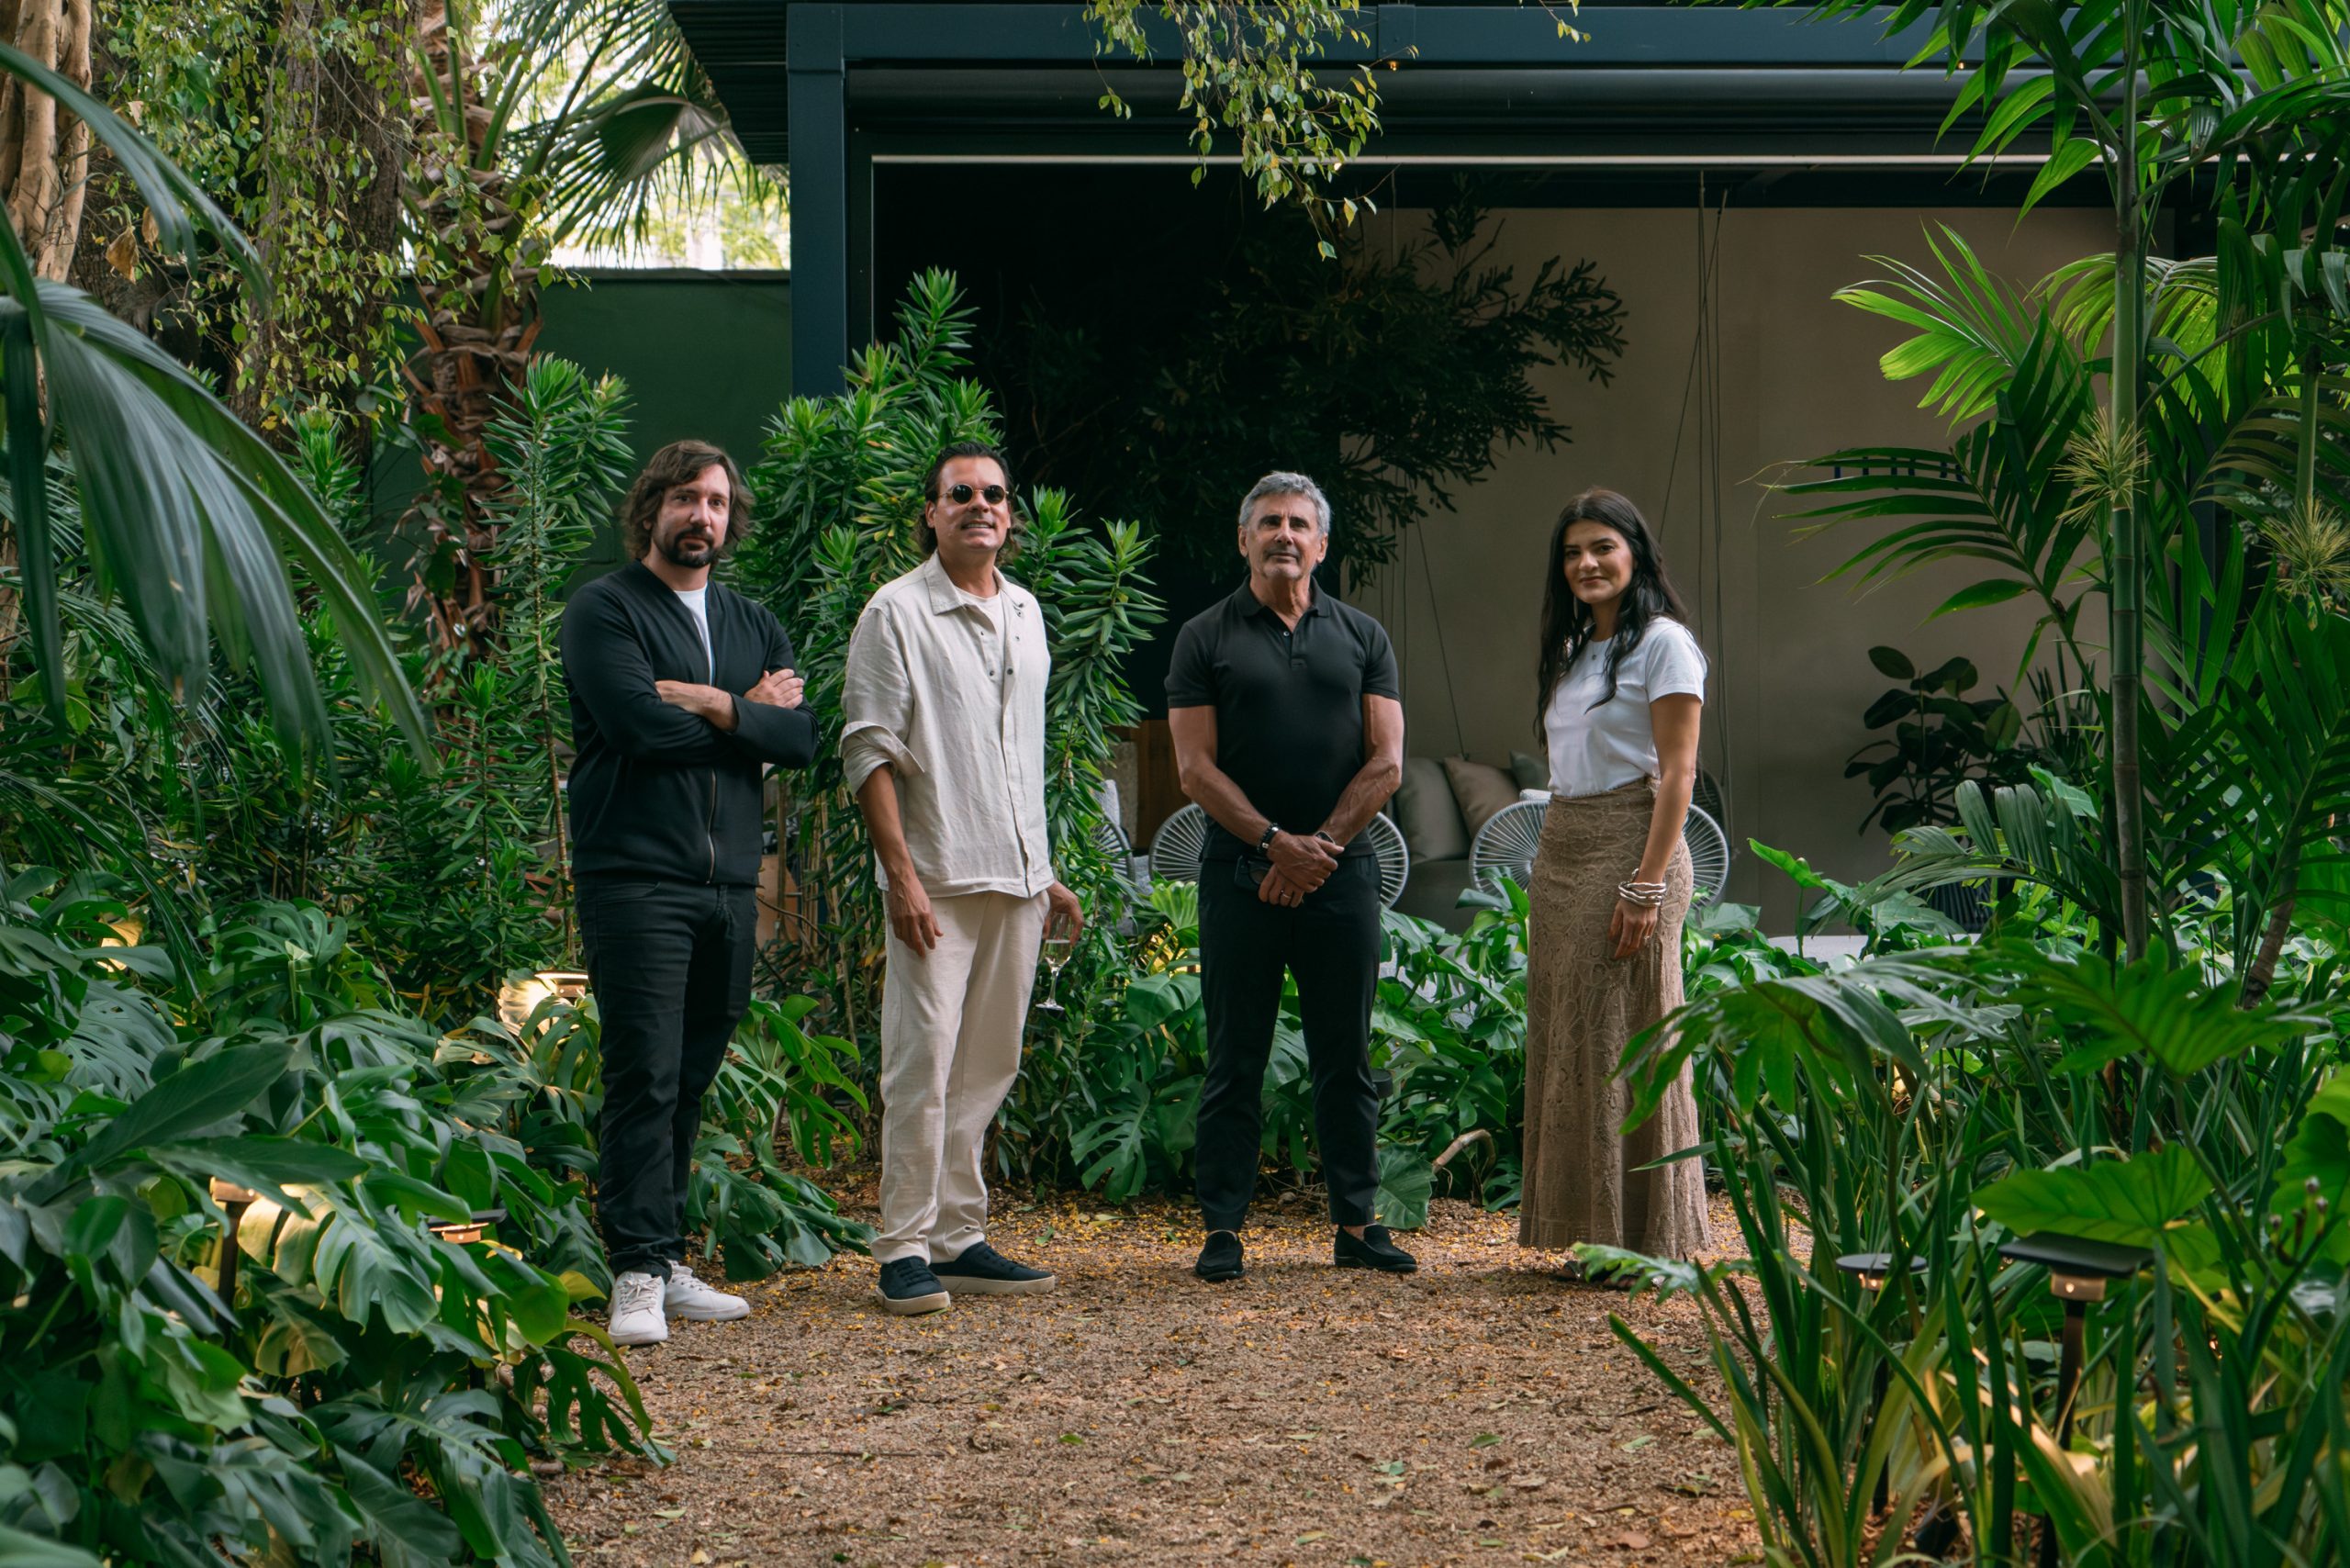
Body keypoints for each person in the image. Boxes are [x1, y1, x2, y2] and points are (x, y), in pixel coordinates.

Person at [561, 439, 818, 1346]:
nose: (700, 515)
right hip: (635, 879)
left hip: (727, 884)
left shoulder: (753, 622)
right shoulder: (605, 609)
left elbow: (800, 741)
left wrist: (712, 703)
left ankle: (665, 1262)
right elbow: (636, 728)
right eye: (683, 498)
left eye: (715, 501)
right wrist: (750, 715)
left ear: (729, 517)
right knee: (645, 1073)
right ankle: (633, 1271)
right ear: (651, 509)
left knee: (691, 1077)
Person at [842, 440, 1084, 1316]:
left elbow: (1017, 756)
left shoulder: (1025, 610)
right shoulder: (895, 612)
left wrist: (1046, 874)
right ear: (933, 513)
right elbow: (868, 752)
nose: (980, 504)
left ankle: (955, 1238)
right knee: (923, 1063)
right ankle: (903, 1247)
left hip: (1017, 882)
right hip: (935, 880)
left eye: (994, 494)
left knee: (987, 1064)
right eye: (961, 494)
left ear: (1010, 516)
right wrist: (901, 878)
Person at [1165, 472, 1415, 1283]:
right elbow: (1194, 769)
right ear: (1244, 540)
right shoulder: (1203, 637)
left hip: (1343, 874)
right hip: (1238, 873)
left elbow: (1387, 762)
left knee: (1346, 1056)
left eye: (1299, 523)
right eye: (1268, 522)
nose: (1284, 534)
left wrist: (1318, 852)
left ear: (1322, 543)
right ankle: (1223, 1231)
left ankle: (1357, 1224)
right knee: (1235, 1056)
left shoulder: (1363, 636)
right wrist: (1276, 844)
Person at [1518, 487, 1711, 1270]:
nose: (1587, 563)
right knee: (1570, 1040)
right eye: (1573, 552)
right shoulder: (1573, 649)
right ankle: (1587, 1229)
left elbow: (1679, 772)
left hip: (1634, 849)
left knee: (1623, 1037)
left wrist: (1645, 885)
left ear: (1636, 554)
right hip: (1563, 849)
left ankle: (1643, 1239)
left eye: (1603, 547)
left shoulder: (1665, 644)